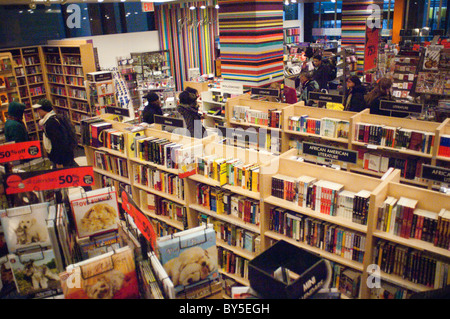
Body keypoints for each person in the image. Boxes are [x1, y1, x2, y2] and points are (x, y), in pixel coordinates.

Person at [32, 99, 77, 168]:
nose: (37, 111)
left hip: (61, 159)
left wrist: (59, 162)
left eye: (39, 109)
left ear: (45, 109)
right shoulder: (54, 118)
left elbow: (58, 143)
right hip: (66, 155)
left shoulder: (50, 123)